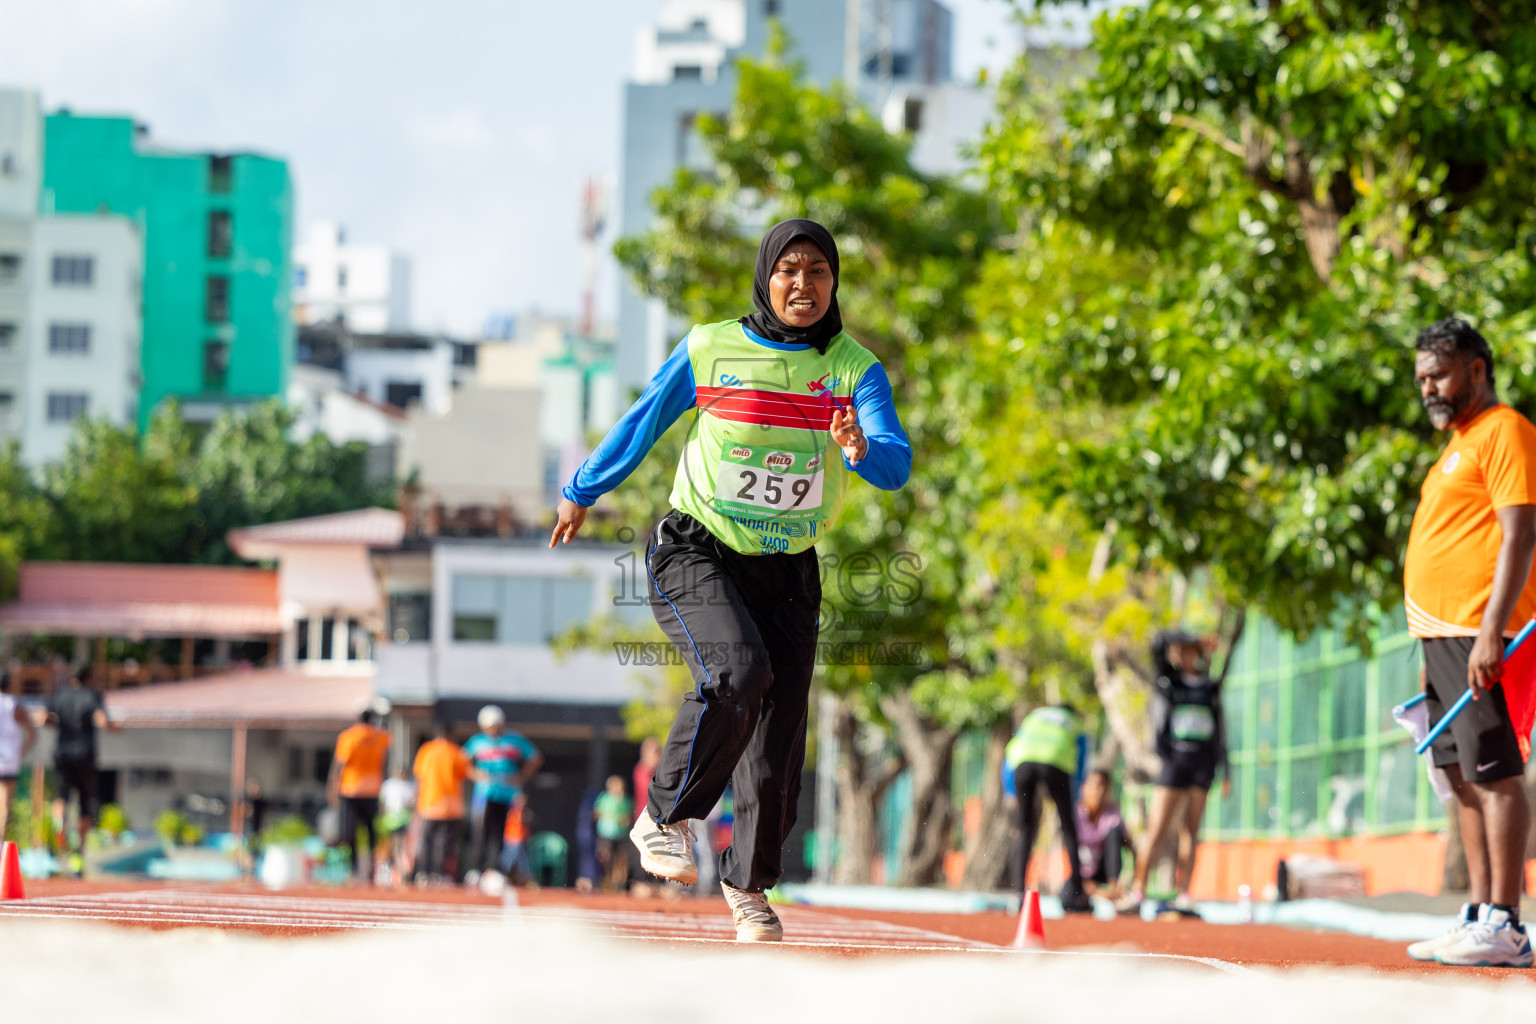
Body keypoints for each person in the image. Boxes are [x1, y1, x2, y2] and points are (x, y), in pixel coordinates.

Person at [551, 219, 911, 941]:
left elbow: (894, 465)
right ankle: (664, 816)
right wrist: (584, 488)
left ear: (833, 284)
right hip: (697, 549)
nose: (802, 285)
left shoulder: (852, 369)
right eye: (788, 270)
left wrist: (859, 446)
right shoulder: (711, 347)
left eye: (817, 272)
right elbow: (643, 418)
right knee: (736, 672)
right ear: (765, 277)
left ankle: (748, 887)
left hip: (788, 571)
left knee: (778, 746)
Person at [1400, 319, 1535, 968]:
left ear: (1477, 370)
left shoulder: (1503, 430)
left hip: (1477, 629)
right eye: (1422, 376)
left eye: (1441, 373)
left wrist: (1489, 631)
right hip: (1438, 632)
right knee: (1457, 775)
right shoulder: (1458, 441)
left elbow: (1520, 533)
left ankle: (1506, 921)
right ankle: (1479, 913)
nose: (1429, 387)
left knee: (1493, 768)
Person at [1116, 631, 1230, 915]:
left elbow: (1221, 734)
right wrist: (1192, 636)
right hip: (1174, 763)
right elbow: (1157, 642)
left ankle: (1184, 895)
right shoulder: (1169, 682)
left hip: (1202, 765)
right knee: (1156, 828)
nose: (1180, 654)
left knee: (1191, 831)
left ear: (1198, 654)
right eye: (1178, 649)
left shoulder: (1210, 688)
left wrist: (1225, 770)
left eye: (1187, 649)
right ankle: (1137, 891)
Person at [1004, 704, 1092, 913]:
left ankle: (1018, 892)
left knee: (1025, 828)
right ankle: (1078, 893)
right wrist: (1076, 795)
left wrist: (1009, 790)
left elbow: (1011, 752)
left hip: (1022, 764)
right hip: (1056, 764)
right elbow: (1081, 761)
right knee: (1068, 827)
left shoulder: (1034, 717)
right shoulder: (1076, 724)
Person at [45, 663, 119, 868]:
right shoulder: (92, 696)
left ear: (72, 677)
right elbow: (101, 719)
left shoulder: (60, 696)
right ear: (89, 677)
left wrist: (59, 724)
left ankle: (60, 822)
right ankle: (79, 852)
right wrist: (114, 728)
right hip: (85, 754)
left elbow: (44, 719)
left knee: (61, 796)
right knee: (86, 802)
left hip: (62, 752)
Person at [461, 705, 542, 883]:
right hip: (485, 794)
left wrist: (522, 776)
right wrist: (475, 774)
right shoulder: (478, 741)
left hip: (508, 795)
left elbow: (535, 757)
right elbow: (463, 762)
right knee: (480, 832)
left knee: (502, 834)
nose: (493, 729)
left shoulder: (513, 739)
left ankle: (495, 870)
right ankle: (477, 869)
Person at [328, 707, 392, 881]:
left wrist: (332, 787)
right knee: (371, 831)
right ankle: (371, 866)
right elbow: (386, 757)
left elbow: (339, 764)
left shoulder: (349, 737)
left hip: (351, 790)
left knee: (349, 832)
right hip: (372, 790)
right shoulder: (381, 737)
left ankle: (355, 868)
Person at [412, 724, 477, 883]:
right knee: (446, 843)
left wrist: (417, 799)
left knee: (427, 841)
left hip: (429, 802)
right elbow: (467, 774)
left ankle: (423, 873)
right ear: (451, 735)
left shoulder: (426, 750)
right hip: (451, 805)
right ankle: (439, 874)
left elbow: (419, 776)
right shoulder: (457, 752)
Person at [1076, 769, 1131, 899]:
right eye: (1096, 785)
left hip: (1102, 873)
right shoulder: (1075, 815)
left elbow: (1129, 845)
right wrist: (1091, 888)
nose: (1100, 791)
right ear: (1084, 787)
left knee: (1115, 832)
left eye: (1104, 786)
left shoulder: (1113, 813)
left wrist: (1130, 877)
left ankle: (1114, 887)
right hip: (1079, 875)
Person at [0, 670, 38, 841]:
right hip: (8, 759)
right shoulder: (13, 704)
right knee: (5, 805)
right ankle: (1, 845)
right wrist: (21, 752)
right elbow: (32, 732)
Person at [593, 775, 634, 890]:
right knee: (604, 857)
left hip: (621, 835)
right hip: (605, 834)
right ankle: (606, 880)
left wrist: (623, 820)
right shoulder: (604, 798)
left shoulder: (626, 800)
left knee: (620, 860)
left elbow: (629, 818)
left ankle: (620, 884)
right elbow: (597, 814)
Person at [378, 768, 417, 884]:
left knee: (400, 847)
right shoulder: (389, 785)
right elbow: (382, 803)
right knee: (391, 847)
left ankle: (400, 872)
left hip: (401, 822)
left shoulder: (407, 786)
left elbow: (412, 804)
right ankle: (390, 872)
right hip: (391, 822)